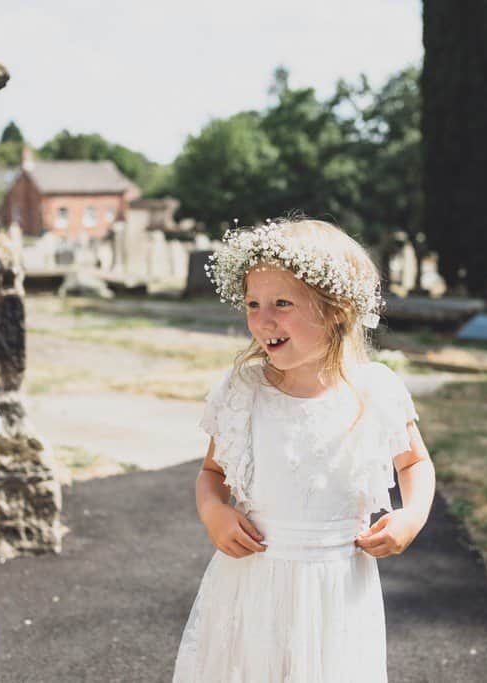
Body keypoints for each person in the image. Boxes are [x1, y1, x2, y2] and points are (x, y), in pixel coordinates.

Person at [174, 218, 436, 682]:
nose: (263, 319)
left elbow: (414, 461)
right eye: (253, 303)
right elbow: (211, 474)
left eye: (281, 303)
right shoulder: (244, 391)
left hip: (337, 590)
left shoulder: (374, 390)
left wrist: (411, 516)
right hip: (253, 582)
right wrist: (213, 512)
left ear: (335, 309)